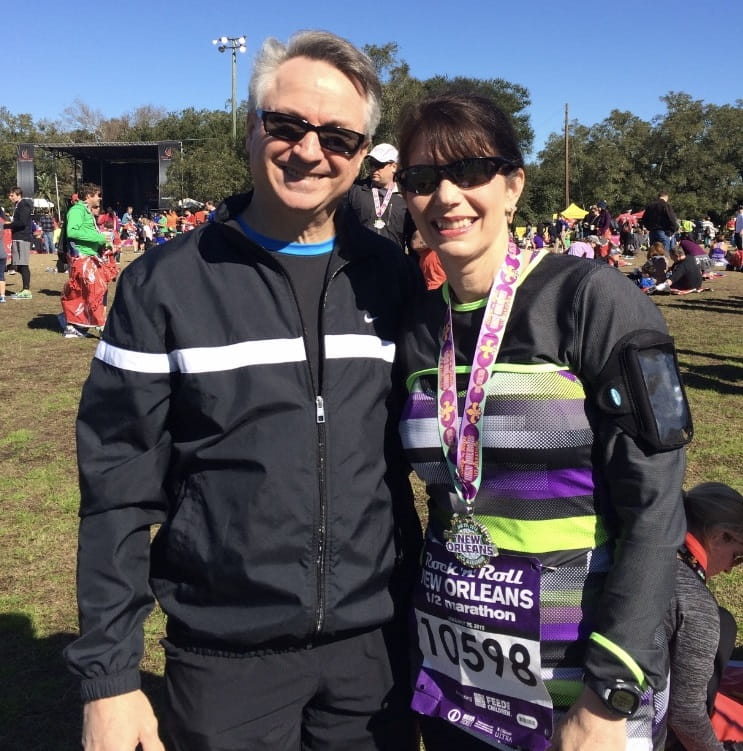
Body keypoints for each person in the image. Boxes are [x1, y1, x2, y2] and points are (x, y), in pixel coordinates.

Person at [63, 29, 422, 751]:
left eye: (339, 137)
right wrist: (111, 677)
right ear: (252, 127)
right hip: (225, 655)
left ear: (362, 156)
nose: (310, 150)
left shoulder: (393, 278)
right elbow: (117, 485)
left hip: (375, 650)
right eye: (286, 125)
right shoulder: (163, 283)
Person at [393, 93, 691, 751]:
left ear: (512, 184)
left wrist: (608, 694)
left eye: (468, 171)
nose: (445, 196)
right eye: (420, 179)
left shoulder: (591, 299)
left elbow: (655, 508)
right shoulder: (416, 326)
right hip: (456, 686)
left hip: (579, 697)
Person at [664, 482, 743, 751]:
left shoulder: (645, 553)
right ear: (721, 536)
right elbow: (685, 714)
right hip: (635, 729)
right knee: (724, 625)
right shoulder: (696, 604)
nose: (732, 570)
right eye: (737, 557)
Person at [60, 184, 118, 338]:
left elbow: (86, 231)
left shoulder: (84, 211)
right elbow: (72, 231)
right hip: (83, 258)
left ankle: (72, 325)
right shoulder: (77, 210)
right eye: (97, 195)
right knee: (95, 291)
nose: (99, 198)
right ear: (88, 196)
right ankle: (101, 326)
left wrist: (103, 244)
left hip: (90, 256)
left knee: (84, 293)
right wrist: (99, 238)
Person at [347, 142, 409, 248]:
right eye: (371, 163)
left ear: (394, 167)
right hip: (360, 260)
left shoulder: (406, 197)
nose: (373, 169)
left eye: (379, 164)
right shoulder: (355, 191)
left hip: (392, 262)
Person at [5, 187, 34, 299]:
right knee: (18, 265)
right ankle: (24, 289)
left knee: (23, 265)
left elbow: (22, 222)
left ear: (18, 195)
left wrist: (7, 225)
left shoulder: (23, 205)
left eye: (12, 195)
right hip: (17, 237)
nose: (10, 197)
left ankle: (26, 290)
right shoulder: (18, 205)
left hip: (23, 238)